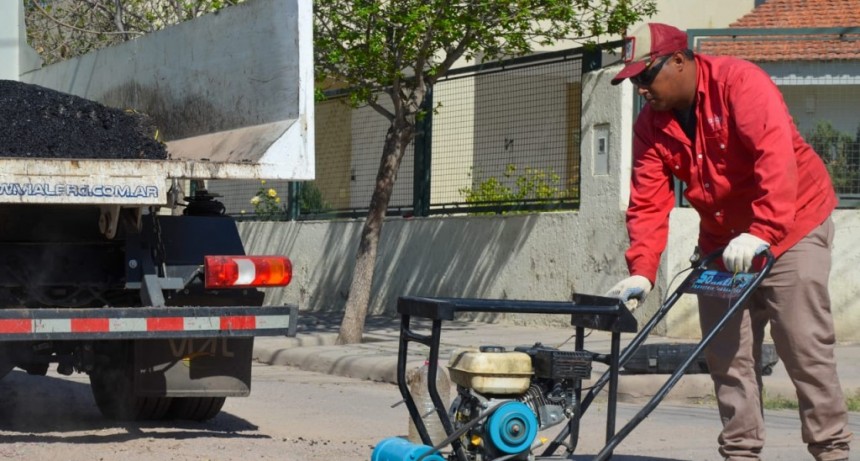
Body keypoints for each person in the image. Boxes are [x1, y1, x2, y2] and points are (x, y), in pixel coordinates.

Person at [605, 23, 852, 461]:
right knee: (726, 354)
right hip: (722, 240)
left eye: (645, 76)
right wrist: (642, 271)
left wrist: (762, 231)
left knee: (803, 346)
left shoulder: (740, 83)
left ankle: (831, 450)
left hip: (792, 225)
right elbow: (647, 201)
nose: (640, 89)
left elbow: (774, 158)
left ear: (678, 61)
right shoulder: (651, 125)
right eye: (634, 80)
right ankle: (741, 453)